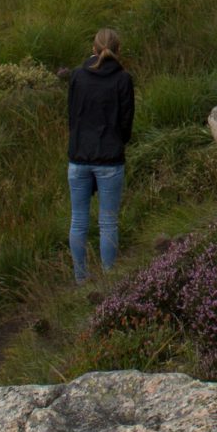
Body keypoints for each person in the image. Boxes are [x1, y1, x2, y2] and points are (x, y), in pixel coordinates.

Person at [66, 28, 135, 282]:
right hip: (110, 158)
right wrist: (117, 144)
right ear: (118, 50)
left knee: (78, 221)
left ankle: (80, 279)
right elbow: (126, 123)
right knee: (108, 223)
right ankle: (108, 280)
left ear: (93, 49)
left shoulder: (76, 76)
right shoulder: (123, 80)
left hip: (78, 157)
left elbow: (72, 117)